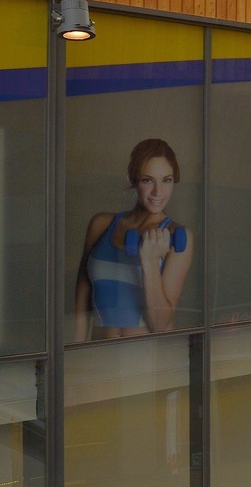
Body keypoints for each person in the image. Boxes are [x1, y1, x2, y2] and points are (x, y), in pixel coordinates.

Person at [74, 139, 195, 341]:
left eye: (167, 180)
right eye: (148, 180)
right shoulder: (101, 224)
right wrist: (74, 350)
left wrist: (149, 261)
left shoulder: (178, 236)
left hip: (148, 356)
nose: (158, 192)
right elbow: (82, 296)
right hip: (98, 352)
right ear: (133, 179)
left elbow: (159, 323)